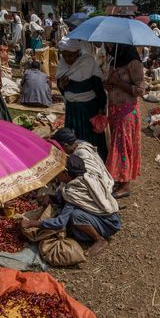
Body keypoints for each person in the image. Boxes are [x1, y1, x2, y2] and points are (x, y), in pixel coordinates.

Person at [21, 154, 121, 257]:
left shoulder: (74, 192)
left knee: (75, 215)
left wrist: (31, 223)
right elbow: (63, 198)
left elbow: (59, 223)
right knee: (72, 215)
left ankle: (99, 239)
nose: (56, 174)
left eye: (59, 172)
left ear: (66, 174)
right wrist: (50, 196)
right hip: (111, 219)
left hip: (108, 224)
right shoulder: (84, 178)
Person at [103, 44, 147, 199]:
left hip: (127, 111)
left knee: (123, 146)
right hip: (114, 109)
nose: (108, 47)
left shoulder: (134, 63)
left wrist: (119, 82)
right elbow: (111, 85)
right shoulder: (115, 60)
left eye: (111, 44)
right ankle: (119, 178)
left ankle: (125, 184)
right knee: (116, 144)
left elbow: (140, 91)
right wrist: (108, 83)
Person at [56, 38, 108, 161]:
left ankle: (94, 160)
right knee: (73, 137)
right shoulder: (62, 64)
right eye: (65, 55)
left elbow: (98, 86)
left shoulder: (88, 62)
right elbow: (61, 87)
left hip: (88, 108)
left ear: (77, 53)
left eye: (71, 55)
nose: (68, 58)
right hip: (72, 108)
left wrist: (101, 107)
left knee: (90, 137)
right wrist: (62, 85)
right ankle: (76, 160)